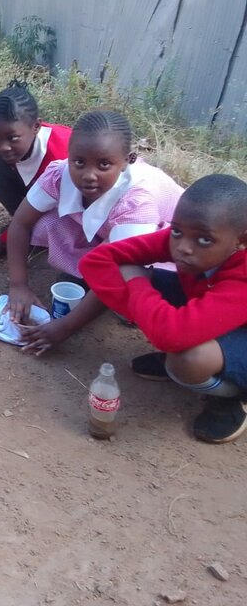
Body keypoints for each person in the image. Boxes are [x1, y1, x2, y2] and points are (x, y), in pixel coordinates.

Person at [80, 175, 247, 444]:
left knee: (189, 359)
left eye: (204, 240)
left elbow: (169, 333)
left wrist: (137, 284)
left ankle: (232, 396)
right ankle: (179, 343)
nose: (182, 247)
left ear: (241, 241)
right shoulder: (191, 237)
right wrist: (151, 318)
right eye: (177, 231)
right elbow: (97, 261)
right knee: (145, 296)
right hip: (215, 311)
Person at [7, 110, 183, 353]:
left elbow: (120, 268)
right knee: (47, 221)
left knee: (130, 282)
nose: (89, 175)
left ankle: (114, 298)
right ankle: (88, 279)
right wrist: (18, 285)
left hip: (168, 254)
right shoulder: (60, 174)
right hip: (110, 235)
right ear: (69, 156)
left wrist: (64, 327)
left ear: (127, 161)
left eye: (104, 164)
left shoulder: (138, 200)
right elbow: (21, 223)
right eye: (79, 162)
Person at [0, 81, 71, 259]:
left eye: (13, 138)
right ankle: (23, 225)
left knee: (52, 224)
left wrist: (4, 241)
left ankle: (30, 233)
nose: (3, 147)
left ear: (36, 127)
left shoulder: (60, 158)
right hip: (34, 197)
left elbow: (59, 211)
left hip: (63, 207)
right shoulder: (1, 136)